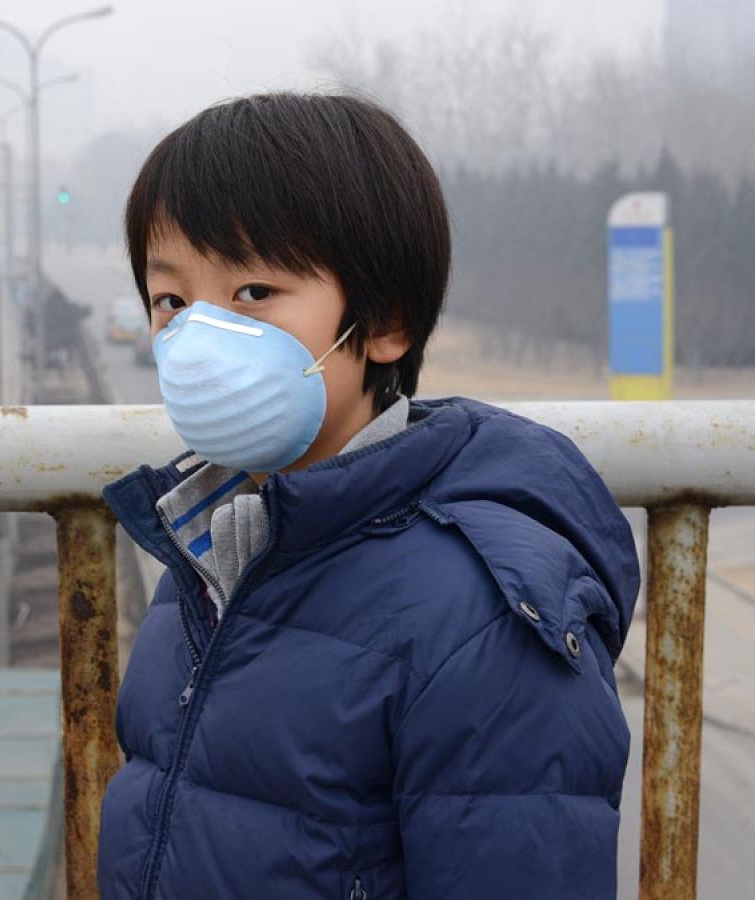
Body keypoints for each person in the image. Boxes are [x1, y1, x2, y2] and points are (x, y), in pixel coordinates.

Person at [98, 92, 639, 899]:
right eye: (171, 300)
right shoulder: (207, 555)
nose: (196, 340)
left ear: (384, 322)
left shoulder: (478, 621)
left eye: (253, 293)